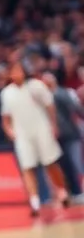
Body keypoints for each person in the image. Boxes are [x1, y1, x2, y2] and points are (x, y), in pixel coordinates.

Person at [0, 62, 68, 215]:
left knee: (50, 163)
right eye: (14, 71)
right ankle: (35, 202)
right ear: (10, 74)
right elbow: (5, 118)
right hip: (22, 134)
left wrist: (53, 125)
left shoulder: (36, 86)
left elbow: (50, 106)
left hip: (42, 128)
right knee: (27, 167)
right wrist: (10, 132)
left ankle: (62, 191)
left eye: (19, 70)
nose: (17, 73)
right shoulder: (6, 93)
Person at [42, 72, 84, 204]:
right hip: (57, 135)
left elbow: (75, 109)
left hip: (70, 134)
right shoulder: (47, 97)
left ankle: (78, 191)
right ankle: (73, 191)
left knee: (75, 163)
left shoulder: (61, 93)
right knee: (65, 165)